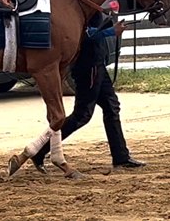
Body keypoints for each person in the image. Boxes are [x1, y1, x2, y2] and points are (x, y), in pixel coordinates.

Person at [31, 12, 146, 173]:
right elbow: (83, 36)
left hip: (96, 65)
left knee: (112, 107)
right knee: (82, 115)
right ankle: (39, 151)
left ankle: (121, 157)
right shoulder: (83, 10)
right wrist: (111, 31)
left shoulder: (93, 8)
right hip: (88, 68)